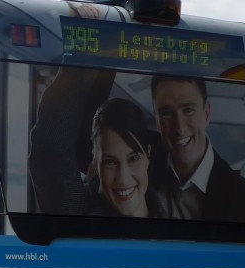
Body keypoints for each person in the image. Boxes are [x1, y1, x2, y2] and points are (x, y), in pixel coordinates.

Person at [28, 69, 165, 219]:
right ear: (95, 163)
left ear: (148, 154)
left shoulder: (177, 214)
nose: (123, 178)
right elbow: (49, 147)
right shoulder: (79, 217)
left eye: (133, 158)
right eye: (109, 162)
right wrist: (86, 53)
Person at [149, 76, 245, 222]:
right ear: (157, 121)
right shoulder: (141, 173)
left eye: (188, 110)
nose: (180, 128)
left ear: (207, 114)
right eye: (166, 114)